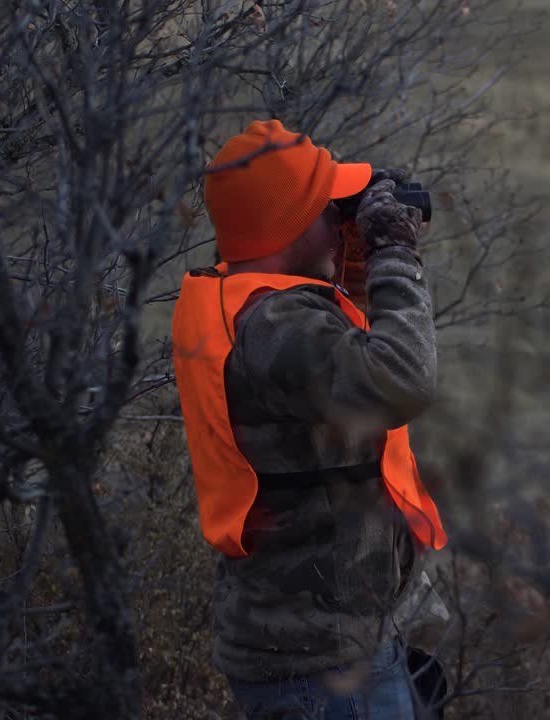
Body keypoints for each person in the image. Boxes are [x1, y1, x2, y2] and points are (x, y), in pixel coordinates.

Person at [171, 119, 448, 719]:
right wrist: (394, 252)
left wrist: (350, 263)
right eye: (330, 210)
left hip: (325, 648)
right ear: (291, 225)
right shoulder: (273, 329)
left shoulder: (250, 307)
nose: (339, 220)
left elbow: (339, 363)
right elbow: (404, 378)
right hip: (322, 671)